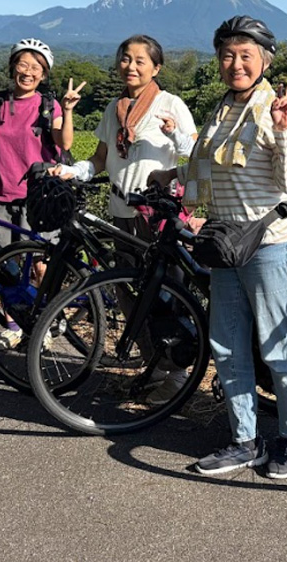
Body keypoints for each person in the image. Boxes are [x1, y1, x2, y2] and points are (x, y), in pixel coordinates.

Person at [151, 15, 287, 479]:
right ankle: (245, 440)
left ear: (264, 61)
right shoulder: (222, 110)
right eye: (227, 55)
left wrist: (284, 130)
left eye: (245, 55)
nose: (235, 63)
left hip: (268, 243)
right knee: (227, 345)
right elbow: (209, 164)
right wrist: (170, 176)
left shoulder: (276, 110)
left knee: (278, 347)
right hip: (225, 243)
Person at [57, 34, 198, 394]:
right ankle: (154, 364)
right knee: (127, 290)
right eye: (125, 58)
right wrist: (75, 171)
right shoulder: (114, 108)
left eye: (140, 60)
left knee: (166, 293)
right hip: (120, 211)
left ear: (156, 68)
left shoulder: (170, 104)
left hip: (155, 215)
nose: (131, 66)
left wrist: (175, 134)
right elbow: (101, 158)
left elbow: (196, 152)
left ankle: (177, 374)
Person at [0, 38, 83, 351]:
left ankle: (45, 320)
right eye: (23, 65)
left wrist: (68, 110)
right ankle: (13, 325)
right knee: (5, 266)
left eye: (36, 68)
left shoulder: (48, 105)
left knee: (41, 264)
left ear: (43, 75)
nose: (28, 72)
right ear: (12, 68)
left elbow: (65, 142)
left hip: (38, 197)